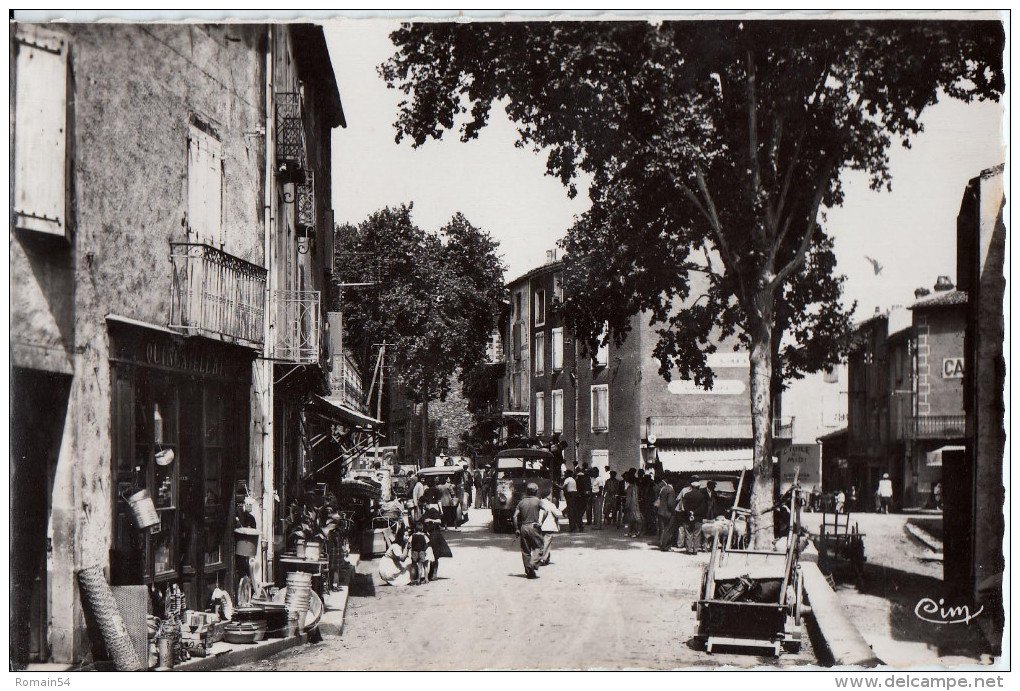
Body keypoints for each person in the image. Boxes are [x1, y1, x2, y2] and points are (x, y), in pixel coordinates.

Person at [513, 483, 545, 578]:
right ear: (536, 491)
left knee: (525, 550)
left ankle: (529, 572)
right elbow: (546, 511)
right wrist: (541, 522)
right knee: (539, 547)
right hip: (534, 526)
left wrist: (516, 529)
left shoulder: (521, 502)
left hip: (523, 527)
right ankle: (532, 563)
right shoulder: (538, 501)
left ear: (527, 491)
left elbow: (515, 516)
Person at [678, 477, 708, 554]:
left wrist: (690, 512)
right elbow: (703, 508)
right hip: (698, 518)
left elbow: (684, 506)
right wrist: (694, 513)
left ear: (691, 487)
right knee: (697, 534)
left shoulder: (687, 495)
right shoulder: (702, 496)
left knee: (688, 533)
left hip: (687, 517)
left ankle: (688, 549)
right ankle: (695, 550)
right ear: (698, 487)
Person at [537, 489, 564, 566]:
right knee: (547, 543)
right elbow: (558, 514)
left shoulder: (538, 503)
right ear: (548, 496)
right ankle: (543, 558)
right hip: (548, 526)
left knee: (541, 542)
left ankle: (546, 557)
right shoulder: (550, 504)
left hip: (539, 526)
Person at [656, 475, 677, 551]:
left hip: (661, 511)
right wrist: (673, 511)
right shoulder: (671, 490)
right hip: (668, 513)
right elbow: (670, 503)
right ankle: (665, 546)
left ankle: (662, 544)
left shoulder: (663, 489)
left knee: (663, 529)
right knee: (668, 529)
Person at [624, 469, 644, 537]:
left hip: (632, 505)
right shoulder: (635, 487)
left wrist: (627, 505)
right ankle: (633, 531)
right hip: (635, 504)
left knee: (634, 518)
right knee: (633, 518)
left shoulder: (630, 488)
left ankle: (636, 532)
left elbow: (629, 498)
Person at [576, 463, 592, 530]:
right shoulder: (585, 481)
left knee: (580, 511)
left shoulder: (578, 481)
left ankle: (580, 524)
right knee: (582, 511)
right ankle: (580, 524)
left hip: (580, 497)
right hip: (583, 497)